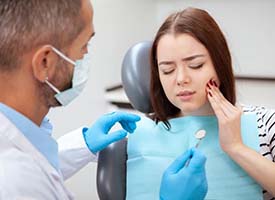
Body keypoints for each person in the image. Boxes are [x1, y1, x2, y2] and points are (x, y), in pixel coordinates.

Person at [0, 0, 207, 199]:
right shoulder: (17, 182)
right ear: (45, 62)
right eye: (84, 46)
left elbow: (42, 166)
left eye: (196, 64)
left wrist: (85, 143)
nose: (181, 79)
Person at [126, 7, 275, 200]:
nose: (181, 79)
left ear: (220, 64)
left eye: (196, 65)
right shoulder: (136, 137)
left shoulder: (265, 123)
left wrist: (236, 147)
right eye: (168, 70)